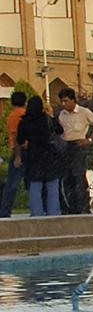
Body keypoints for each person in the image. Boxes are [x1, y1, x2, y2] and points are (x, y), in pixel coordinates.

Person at [16, 95, 64, 216]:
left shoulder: (25, 121)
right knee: (52, 184)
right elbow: (60, 130)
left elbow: (20, 139)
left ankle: (36, 211)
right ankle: (53, 211)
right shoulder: (47, 119)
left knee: (35, 185)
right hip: (49, 155)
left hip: (33, 155)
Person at [54, 90, 93, 215]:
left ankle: (83, 206)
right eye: (62, 101)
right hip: (67, 146)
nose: (64, 104)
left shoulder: (84, 112)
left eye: (66, 101)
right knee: (68, 178)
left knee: (79, 176)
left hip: (79, 145)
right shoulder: (62, 114)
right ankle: (72, 206)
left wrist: (89, 139)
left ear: (73, 100)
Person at [1, 89, 26, 217]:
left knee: (12, 182)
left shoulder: (13, 116)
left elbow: (15, 136)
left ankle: (4, 210)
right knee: (33, 182)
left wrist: (17, 156)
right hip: (30, 150)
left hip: (18, 150)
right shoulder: (27, 113)